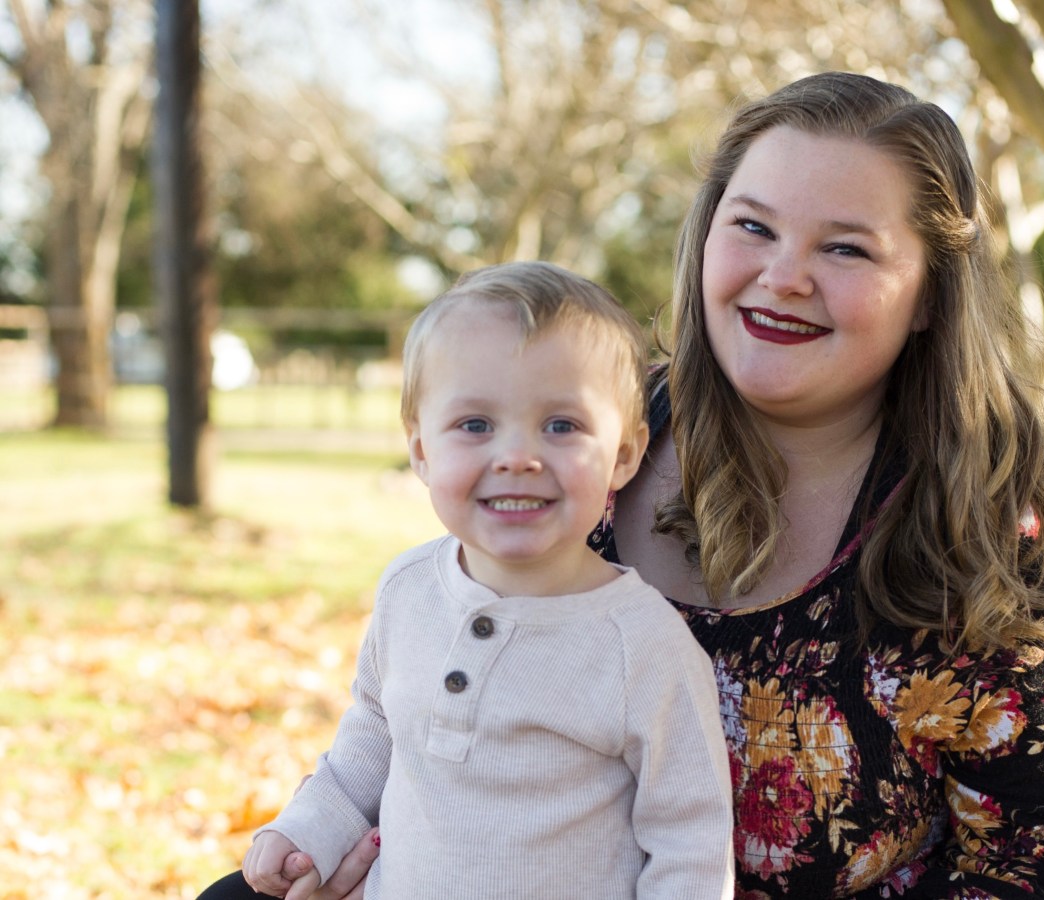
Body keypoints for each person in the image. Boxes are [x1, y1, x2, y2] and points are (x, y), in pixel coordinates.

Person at [202, 70, 1044, 898]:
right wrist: (353, 851)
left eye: (846, 250)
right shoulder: (581, 428)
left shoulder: (978, 543)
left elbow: (1036, 865)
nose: (783, 277)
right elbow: (424, 709)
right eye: (753, 227)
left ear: (931, 295)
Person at [229, 261, 736, 900]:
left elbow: (691, 842)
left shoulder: (643, 644)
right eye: (475, 425)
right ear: (421, 451)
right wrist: (306, 830)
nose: (517, 457)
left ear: (625, 454)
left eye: (561, 425)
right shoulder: (409, 590)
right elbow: (374, 736)